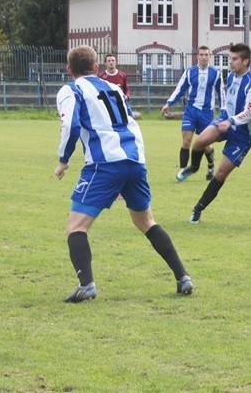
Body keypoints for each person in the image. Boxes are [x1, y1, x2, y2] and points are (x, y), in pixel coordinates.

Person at [54, 45, 193, 302]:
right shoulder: (115, 88)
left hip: (104, 164)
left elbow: (71, 124)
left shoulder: (70, 89)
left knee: (76, 227)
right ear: (97, 68)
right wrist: (131, 166)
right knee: (146, 222)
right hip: (134, 159)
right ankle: (183, 276)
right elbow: (131, 121)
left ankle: (87, 285)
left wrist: (63, 160)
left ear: (69, 70)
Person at [184, 43, 251, 223]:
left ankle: (198, 209)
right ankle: (194, 167)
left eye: (234, 59)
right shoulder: (232, 77)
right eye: (230, 59)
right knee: (199, 142)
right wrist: (225, 116)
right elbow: (229, 100)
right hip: (225, 119)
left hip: (243, 135)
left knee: (220, 174)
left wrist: (232, 121)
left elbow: (250, 111)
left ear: (246, 61)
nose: (230, 63)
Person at [161, 45, 223, 182]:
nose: (204, 57)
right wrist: (169, 103)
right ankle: (183, 171)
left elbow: (221, 93)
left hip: (207, 113)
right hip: (191, 111)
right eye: (201, 54)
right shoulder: (190, 72)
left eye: (206, 55)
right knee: (186, 140)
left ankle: (211, 165)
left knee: (205, 143)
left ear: (210, 56)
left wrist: (224, 111)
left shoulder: (216, 73)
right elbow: (180, 89)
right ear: (197, 56)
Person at [98, 53, 141, 119]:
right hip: (108, 103)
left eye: (113, 60)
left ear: (115, 62)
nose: (111, 62)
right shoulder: (101, 76)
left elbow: (126, 89)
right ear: (105, 63)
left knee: (129, 118)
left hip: (121, 102)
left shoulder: (122, 75)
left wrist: (127, 96)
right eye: (109, 61)